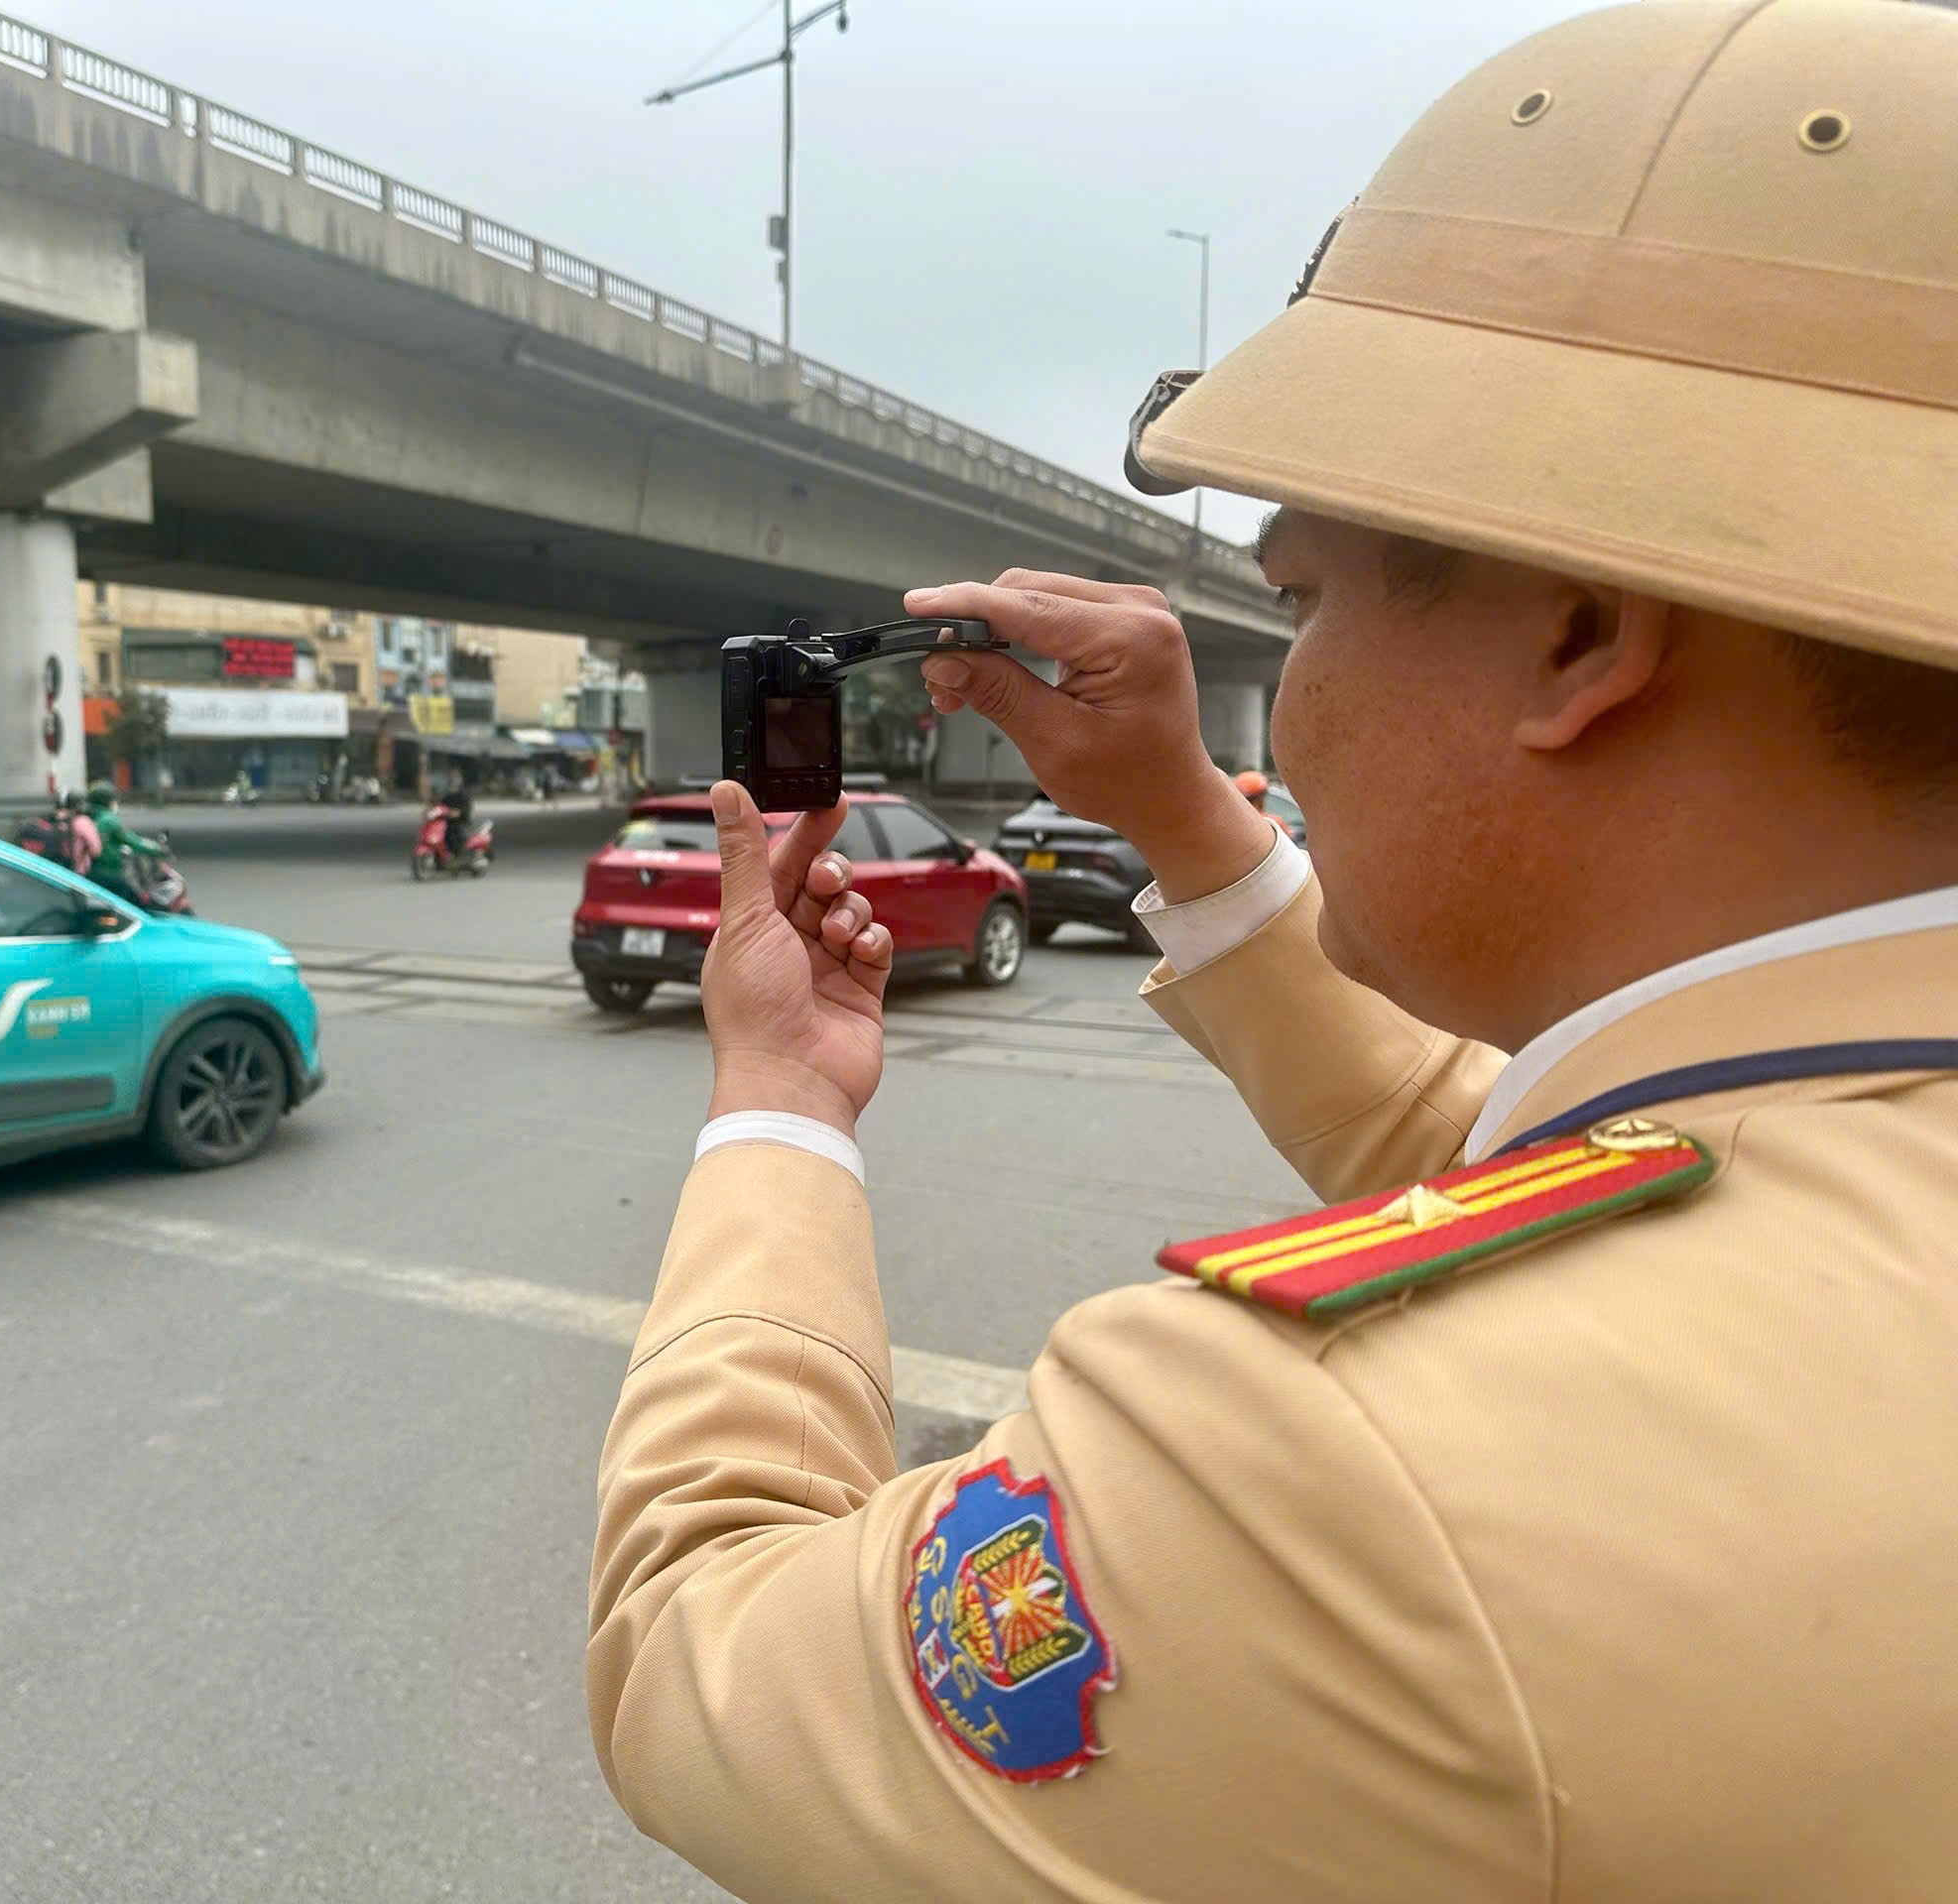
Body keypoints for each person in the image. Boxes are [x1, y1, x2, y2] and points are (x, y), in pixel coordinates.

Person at [587, 4, 1958, 1899]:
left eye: (1296, 602)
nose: (1279, 710)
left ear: (1578, 632)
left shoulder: (1346, 1487)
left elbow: (697, 1653)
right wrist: (1182, 818)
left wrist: (774, 1106)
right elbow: (1566, 1167)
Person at [84, 780, 162, 904]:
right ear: (107, 800)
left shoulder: (88, 816)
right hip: (109, 872)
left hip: (91, 872)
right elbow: (133, 841)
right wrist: (158, 849)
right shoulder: (108, 820)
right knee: (136, 904)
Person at [438, 776, 474, 861]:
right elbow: (440, 805)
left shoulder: (464, 796)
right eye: (451, 784)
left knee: (456, 834)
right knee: (441, 833)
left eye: (454, 784)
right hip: (448, 820)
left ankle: (458, 853)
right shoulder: (447, 797)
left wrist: (459, 812)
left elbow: (467, 807)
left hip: (461, 821)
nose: (452, 787)